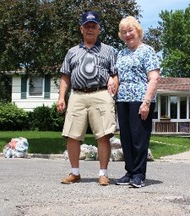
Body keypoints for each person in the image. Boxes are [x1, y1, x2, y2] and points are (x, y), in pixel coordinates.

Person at [57, 11, 118, 186]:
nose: (90, 29)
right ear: (81, 29)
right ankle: (75, 172)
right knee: (72, 135)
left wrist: (114, 85)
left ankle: (103, 173)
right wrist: (62, 97)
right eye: (87, 26)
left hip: (101, 94)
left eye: (93, 26)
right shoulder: (72, 52)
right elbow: (65, 76)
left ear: (99, 29)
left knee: (104, 135)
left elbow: (115, 74)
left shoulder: (108, 50)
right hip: (77, 95)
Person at [115, 16, 160, 188]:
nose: (128, 34)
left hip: (140, 100)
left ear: (138, 30)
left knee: (139, 138)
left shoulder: (147, 50)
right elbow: (118, 75)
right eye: (124, 32)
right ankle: (130, 171)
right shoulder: (121, 53)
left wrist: (146, 102)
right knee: (126, 138)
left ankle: (140, 174)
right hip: (123, 99)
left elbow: (154, 78)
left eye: (130, 30)